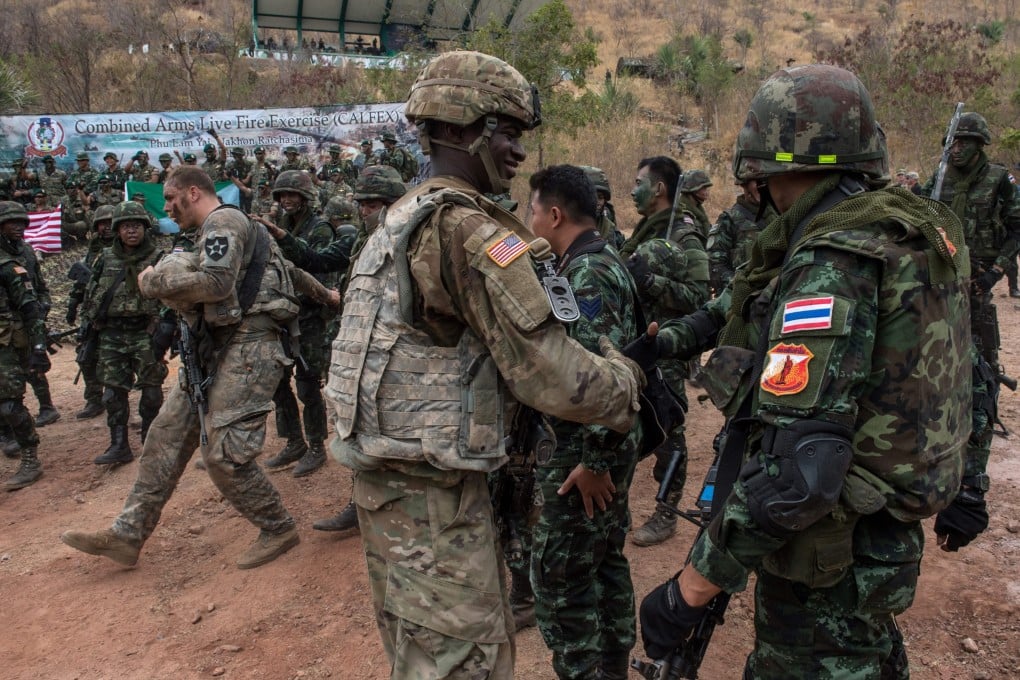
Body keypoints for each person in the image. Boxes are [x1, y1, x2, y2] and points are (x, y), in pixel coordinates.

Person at [635, 64, 972, 679]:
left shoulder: (833, 262)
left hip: (828, 561)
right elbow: (958, 372)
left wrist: (690, 589)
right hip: (879, 545)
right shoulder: (907, 237)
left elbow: (799, 475)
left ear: (770, 161)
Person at [324, 50, 643, 679]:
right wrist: (627, 385)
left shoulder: (399, 217)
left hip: (391, 489)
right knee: (464, 661)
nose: (518, 153)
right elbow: (547, 370)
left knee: (422, 654)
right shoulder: (470, 230)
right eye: (508, 134)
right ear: (463, 127)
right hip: (434, 499)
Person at [60, 166, 305, 569]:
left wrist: (152, 283)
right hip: (214, 348)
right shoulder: (215, 230)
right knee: (166, 436)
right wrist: (327, 295)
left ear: (193, 193)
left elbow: (215, 285)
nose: (167, 208)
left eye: (172, 199)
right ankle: (128, 533)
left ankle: (277, 526)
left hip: (248, 350)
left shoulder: (222, 220)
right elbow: (289, 272)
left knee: (224, 455)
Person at [526, 165, 644, 680]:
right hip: (601, 447)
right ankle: (613, 665)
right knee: (603, 557)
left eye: (530, 210)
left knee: (562, 574)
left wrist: (594, 461)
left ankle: (588, 669)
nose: (527, 220)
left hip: (586, 454)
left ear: (554, 215)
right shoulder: (587, 261)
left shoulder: (588, 273)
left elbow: (602, 377)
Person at [620, 156, 709, 547]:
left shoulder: (684, 236)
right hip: (635, 346)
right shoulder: (645, 231)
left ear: (658, 188)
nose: (633, 189)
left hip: (667, 349)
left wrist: (651, 281)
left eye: (639, 182)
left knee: (671, 433)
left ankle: (666, 512)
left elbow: (698, 298)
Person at [260, 170, 337, 477]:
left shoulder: (319, 229)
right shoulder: (280, 227)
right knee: (278, 382)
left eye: (293, 194)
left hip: (310, 317)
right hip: (280, 314)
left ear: (306, 197)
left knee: (307, 385)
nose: (287, 200)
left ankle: (316, 446)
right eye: (283, 195)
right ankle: (294, 441)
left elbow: (318, 272)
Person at [84, 202, 169, 465]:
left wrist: (164, 330)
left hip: (146, 332)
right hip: (111, 333)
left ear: (145, 228)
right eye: (125, 226)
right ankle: (119, 443)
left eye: (136, 226)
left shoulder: (160, 258)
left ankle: (150, 439)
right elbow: (91, 291)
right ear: (117, 230)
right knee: (112, 393)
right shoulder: (105, 258)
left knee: (152, 392)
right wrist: (89, 325)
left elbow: (170, 299)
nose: (131, 231)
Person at [0, 201, 49, 490]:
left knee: (8, 404)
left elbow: (30, 307)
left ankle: (30, 457)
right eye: (11, 222)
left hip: (7, 340)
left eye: (21, 221)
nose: (18, 226)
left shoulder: (10, 266)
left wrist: (39, 346)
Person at [66, 204, 116, 420]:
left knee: (115, 359)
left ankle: (115, 398)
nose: (107, 228)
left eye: (111, 223)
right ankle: (94, 399)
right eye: (102, 224)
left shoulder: (128, 249)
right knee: (86, 357)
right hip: (92, 312)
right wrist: (73, 303)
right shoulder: (93, 250)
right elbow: (83, 282)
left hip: (116, 313)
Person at [707, 178, 777, 293]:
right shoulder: (729, 220)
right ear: (745, 184)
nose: (762, 188)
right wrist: (739, 287)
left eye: (765, 182)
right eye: (758, 183)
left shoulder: (782, 216)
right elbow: (715, 265)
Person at [580, 165, 625, 249]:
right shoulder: (564, 223)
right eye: (592, 196)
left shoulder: (607, 226)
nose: (597, 202)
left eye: (600, 197)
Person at [679, 169, 713, 238]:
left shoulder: (699, 211)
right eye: (703, 188)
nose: (707, 192)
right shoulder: (684, 215)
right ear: (693, 190)